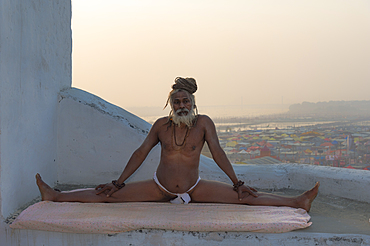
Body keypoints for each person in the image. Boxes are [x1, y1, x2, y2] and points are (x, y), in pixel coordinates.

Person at [36, 77, 319, 212]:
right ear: (171, 105)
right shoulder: (161, 126)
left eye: (186, 101)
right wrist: (118, 181)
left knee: (247, 197)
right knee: (107, 195)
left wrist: (237, 182)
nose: (181, 105)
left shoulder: (204, 123)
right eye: (177, 102)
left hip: (195, 188)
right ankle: (56, 196)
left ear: (194, 105)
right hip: (159, 186)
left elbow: (217, 153)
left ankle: (297, 202)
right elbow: (140, 152)